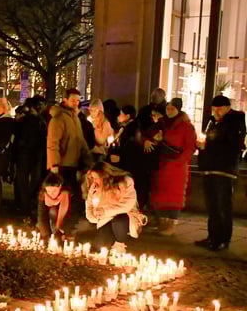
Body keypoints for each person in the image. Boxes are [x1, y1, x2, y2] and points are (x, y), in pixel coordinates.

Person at [197, 95, 246, 251]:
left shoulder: (235, 123)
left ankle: (223, 239)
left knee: (222, 206)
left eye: (219, 108)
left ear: (227, 108)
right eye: (214, 108)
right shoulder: (213, 121)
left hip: (224, 170)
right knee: (212, 206)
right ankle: (213, 237)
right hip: (210, 168)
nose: (216, 111)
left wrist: (208, 146)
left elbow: (232, 146)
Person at [149, 97, 197, 235]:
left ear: (178, 109)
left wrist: (179, 162)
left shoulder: (186, 126)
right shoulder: (163, 123)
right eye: (167, 109)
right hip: (163, 164)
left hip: (176, 166)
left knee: (174, 196)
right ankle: (163, 223)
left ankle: (171, 224)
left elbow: (190, 148)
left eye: (172, 109)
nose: (169, 111)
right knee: (162, 194)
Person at [47, 87, 92, 225]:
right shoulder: (59, 118)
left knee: (73, 196)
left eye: (78, 100)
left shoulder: (75, 118)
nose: (76, 103)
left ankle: (67, 224)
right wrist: (54, 165)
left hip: (73, 163)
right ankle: (59, 224)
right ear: (65, 100)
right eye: (73, 100)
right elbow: (52, 142)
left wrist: (88, 159)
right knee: (62, 196)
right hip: (62, 165)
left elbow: (80, 140)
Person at [84, 162, 147, 249]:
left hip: (125, 216)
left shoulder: (125, 182)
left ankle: (120, 243)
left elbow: (127, 205)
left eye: (96, 178)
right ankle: (110, 238)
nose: (94, 181)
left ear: (104, 176)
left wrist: (105, 211)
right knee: (99, 246)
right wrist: (94, 217)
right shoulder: (95, 187)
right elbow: (89, 205)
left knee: (119, 222)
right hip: (106, 219)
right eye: (92, 178)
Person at [13, 96, 48, 220]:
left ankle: (26, 205)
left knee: (30, 180)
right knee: (24, 180)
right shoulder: (31, 120)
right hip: (27, 153)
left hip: (33, 153)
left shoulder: (38, 120)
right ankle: (25, 206)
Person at [37, 172, 70, 242]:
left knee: (53, 211)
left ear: (60, 187)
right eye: (49, 190)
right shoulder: (43, 196)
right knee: (52, 211)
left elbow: (72, 215)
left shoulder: (66, 195)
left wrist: (63, 231)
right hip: (51, 222)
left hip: (65, 223)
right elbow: (42, 217)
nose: (51, 193)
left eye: (54, 190)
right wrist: (46, 236)